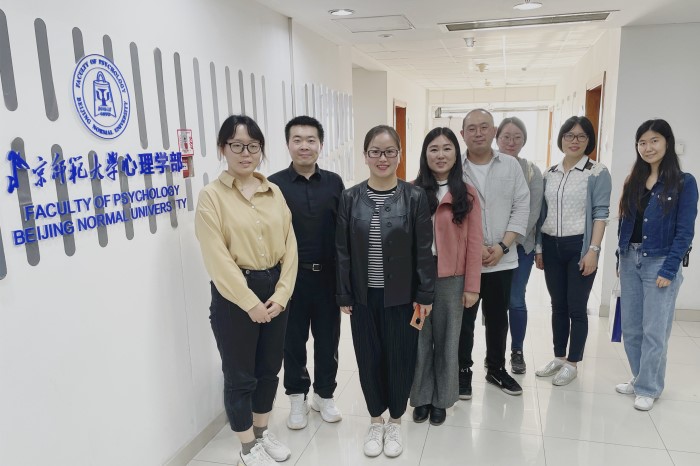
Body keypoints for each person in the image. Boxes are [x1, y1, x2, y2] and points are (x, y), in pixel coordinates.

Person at [195, 115, 298, 466]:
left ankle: (262, 432)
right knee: (240, 376)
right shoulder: (211, 197)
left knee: (269, 369)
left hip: (275, 288)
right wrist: (249, 301)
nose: (245, 153)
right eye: (237, 145)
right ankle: (247, 448)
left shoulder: (274, 192)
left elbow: (290, 245)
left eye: (253, 146)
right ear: (222, 149)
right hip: (234, 294)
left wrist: (282, 294)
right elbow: (217, 258)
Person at [336, 125, 435, 458]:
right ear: (365, 156)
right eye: (375, 152)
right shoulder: (350, 198)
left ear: (399, 155)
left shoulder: (415, 197)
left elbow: (424, 250)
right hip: (363, 297)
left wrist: (425, 295)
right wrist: (344, 293)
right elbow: (342, 251)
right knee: (368, 358)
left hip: (403, 297)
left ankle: (394, 421)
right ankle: (375, 420)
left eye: (390, 151)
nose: (383, 158)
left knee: (400, 358)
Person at [615, 119, 697, 411]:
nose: (647, 147)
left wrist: (669, 268)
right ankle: (640, 378)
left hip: (660, 261)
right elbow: (625, 221)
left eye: (654, 141)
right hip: (630, 258)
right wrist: (620, 257)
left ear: (667, 143)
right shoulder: (634, 180)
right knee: (631, 328)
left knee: (654, 330)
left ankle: (649, 387)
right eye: (642, 142)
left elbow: (685, 231)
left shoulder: (684, 182)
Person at [268, 116, 345, 429]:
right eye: (297, 139)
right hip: (289, 279)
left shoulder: (334, 182)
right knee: (293, 341)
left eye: (311, 140)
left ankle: (324, 395)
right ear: (288, 144)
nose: (304, 146)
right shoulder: (273, 185)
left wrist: (345, 283)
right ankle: (297, 398)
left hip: (327, 277)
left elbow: (343, 235)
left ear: (320, 145)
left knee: (328, 340)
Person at [410, 127, 482, 426]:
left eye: (447, 148)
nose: (440, 155)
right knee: (419, 339)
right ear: (425, 154)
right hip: (418, 277)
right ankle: (421, 397)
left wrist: (472, 286)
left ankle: (442, 399)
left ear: (456, 153)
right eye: (434, 149)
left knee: (448, 341)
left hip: (453, 278)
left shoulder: (467, 193)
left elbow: (475, 242)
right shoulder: (411, 190)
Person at [535, 116, 611, 386]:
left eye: (581, 136)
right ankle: (559, 357)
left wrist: (593, 251)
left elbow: (601, 214)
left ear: (589, 140)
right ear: (561, 139)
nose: (574, 141)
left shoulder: (597, 172)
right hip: (551, 245)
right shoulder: (550, 173)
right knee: (558, 305)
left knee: (576, 307)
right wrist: (539, 248)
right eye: (569, 135)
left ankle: (573, 362)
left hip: (579, 246)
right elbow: (542, 213)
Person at [458, 109, 530, 399]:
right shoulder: (455, 167)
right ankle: (462, 370)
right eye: (471, 128)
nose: (478, 133)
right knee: (464, 320)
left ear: (493, 131)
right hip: (465, 260)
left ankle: (496, 368)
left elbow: (522, 207)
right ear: (462, 134)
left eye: (484, 127)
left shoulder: (510, 166)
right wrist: (473, 248)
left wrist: (502, 246)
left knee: (499, 318)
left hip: (503, 258)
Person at [496, 117, 543, 374]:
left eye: (517, 137)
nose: (511, 142)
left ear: (524, 141)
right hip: (489, 248)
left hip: (520, 248)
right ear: (497, 139)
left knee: (515, 299)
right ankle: (494, 353)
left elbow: (532, 213)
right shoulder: (488, 166)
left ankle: (516, 351)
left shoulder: (532, 172)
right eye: (506, 136)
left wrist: (505, 243)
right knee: (493, 303)